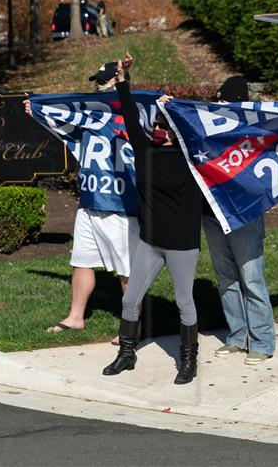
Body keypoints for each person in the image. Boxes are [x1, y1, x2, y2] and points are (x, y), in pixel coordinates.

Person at [102, 52, 204, 385]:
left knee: (184, 302)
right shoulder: (145, 152)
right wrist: (123, 82)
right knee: (130, 298)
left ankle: (189, 361)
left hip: (182, 245)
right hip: (150, 242)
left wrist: (178, 109)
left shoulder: (193, 160)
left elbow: (205, 132)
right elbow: (130, 115)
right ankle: (126, 354)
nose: (158, 129)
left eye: (164, 125)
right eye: (156, 124)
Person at [23, 62, 139, 338]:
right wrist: (37, 109)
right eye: (97, 81)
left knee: (128, 270)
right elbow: (63, 123)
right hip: (89, 202)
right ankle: (76, 317)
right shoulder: (88, 114)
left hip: (119, 205)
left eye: (103, 82)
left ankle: (132, 327)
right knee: (81, 261)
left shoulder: (133, 113)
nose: (97, 87)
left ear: (117, 82)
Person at [203, 76, 276, 365]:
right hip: (211, 213)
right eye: (217, 101)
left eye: (224, 102)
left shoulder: (252, 132)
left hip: (244, 215)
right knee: (226, 278)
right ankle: (237, 336)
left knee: (251, 278)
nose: (218, 106)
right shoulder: (206, 129)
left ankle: (262, 341)